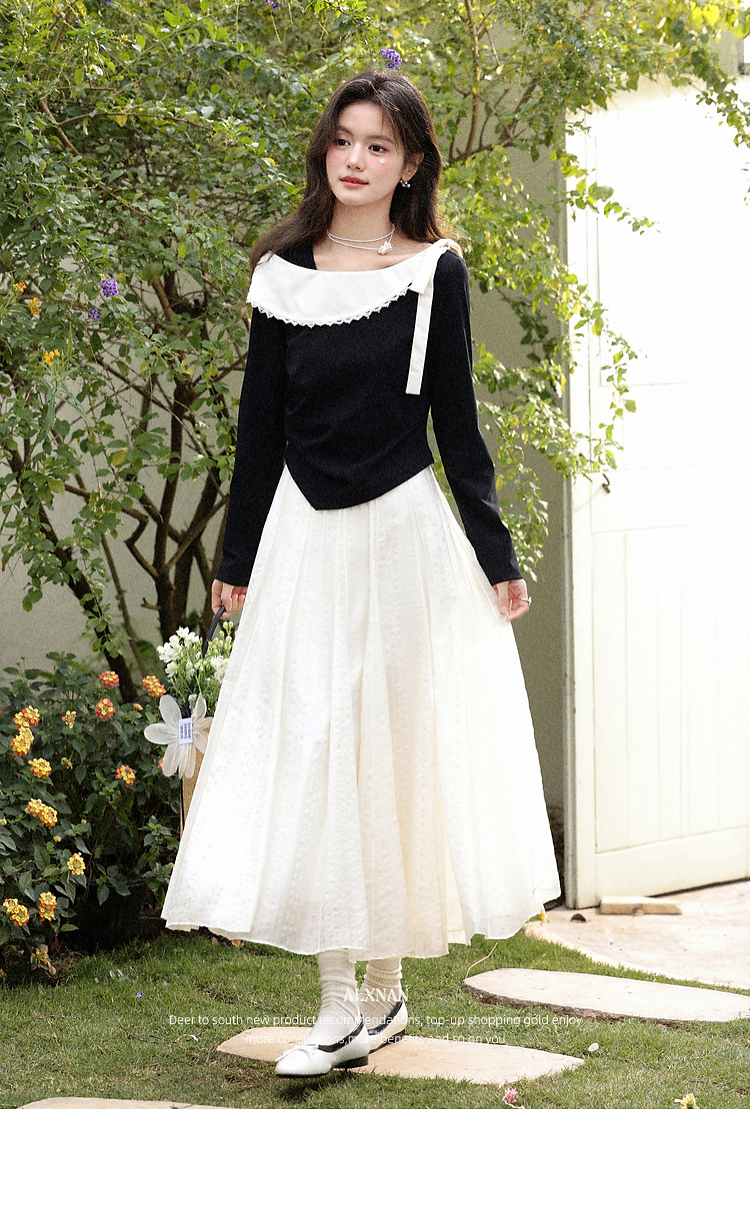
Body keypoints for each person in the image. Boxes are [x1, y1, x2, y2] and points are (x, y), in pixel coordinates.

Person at [161, 68, 561, 1078]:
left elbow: (458, 425)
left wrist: (496, 555)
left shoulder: (434, 274)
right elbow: (258, 433)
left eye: (378, 145)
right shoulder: (282, 272)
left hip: (401, 542)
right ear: (325, 149)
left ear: (411, 164)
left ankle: (382, 995)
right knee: (318, 748)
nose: (355, 159)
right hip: (304, 540)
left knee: (391, 753)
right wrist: (237, 559)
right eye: (343, 139)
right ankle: (337, 1003)